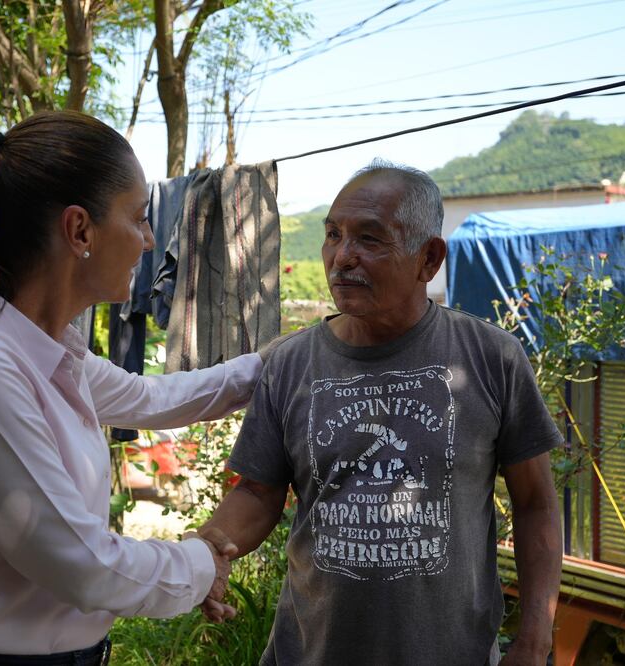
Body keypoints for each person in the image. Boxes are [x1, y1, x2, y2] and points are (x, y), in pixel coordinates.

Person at [0, 110, 254, 665]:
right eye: (137, 219)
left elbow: (150, 397)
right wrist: (201, 563)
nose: (148, 240)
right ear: (80, 230)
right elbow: (79, 562)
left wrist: (274, 366)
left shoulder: (46, 349)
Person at [198, 161, 563, 665]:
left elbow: (536, 503)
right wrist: (208, 550)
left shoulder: (490, 357)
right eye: (333, 235)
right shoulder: (291, 363)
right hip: (311, 653)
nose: (342, 257)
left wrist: (536, 636)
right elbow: (259, 492)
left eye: (370, 239)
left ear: (429, 257)